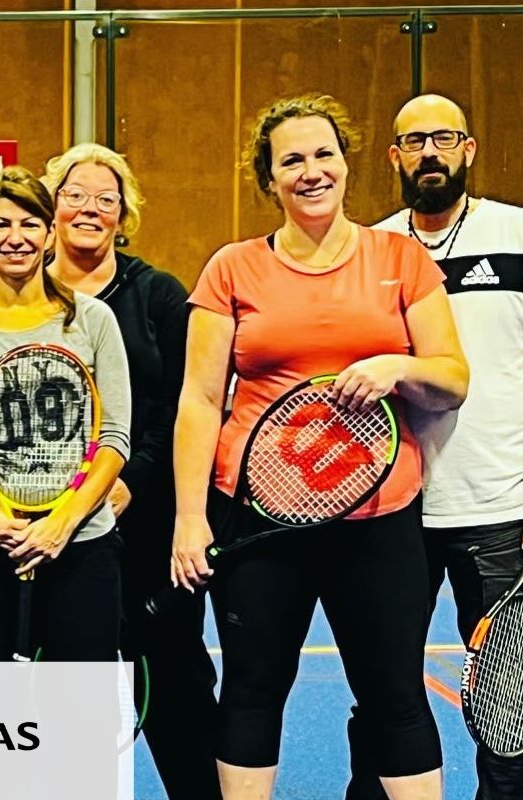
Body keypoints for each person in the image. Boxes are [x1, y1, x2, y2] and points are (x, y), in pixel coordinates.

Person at [171, 93, 467, 800]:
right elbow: (200, 400)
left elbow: (452, 378)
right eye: (292, 160)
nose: (311, 171)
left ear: (347, 163)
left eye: (324, 154)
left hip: (378, 520)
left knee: (394, 692)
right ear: (269, 178)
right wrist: (189, 517)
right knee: (252, 688)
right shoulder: (232, 269)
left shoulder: (401, 259)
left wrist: (398, 367)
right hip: (259, 521)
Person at [344, 94, 523, 800]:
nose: (429, 153)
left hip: (499, 507)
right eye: (414, 141)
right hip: (396, 510)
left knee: (510, 709)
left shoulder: (515, 234)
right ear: (394, 157)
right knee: (380, 692)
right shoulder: (370, 251)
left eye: (443, 139)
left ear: (468, 150)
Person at [42, 142, 220, 800]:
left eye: (105, 198)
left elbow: (180, 406)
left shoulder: (159, 296)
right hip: (50, 533)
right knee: (68, 705)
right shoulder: (15, 295)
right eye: (75, 195)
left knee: (177, 692)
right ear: (52, 206)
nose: (89, 208)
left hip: (147, 528)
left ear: (124, 214)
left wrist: (129, 482)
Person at [0, 165, 131, 662]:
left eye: (30, 224)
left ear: (50, 232)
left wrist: (62, 523)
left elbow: (114, 437)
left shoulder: (94, 320)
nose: (16, 238)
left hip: (80, 543)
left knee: (80, 705)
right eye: (1, 225)